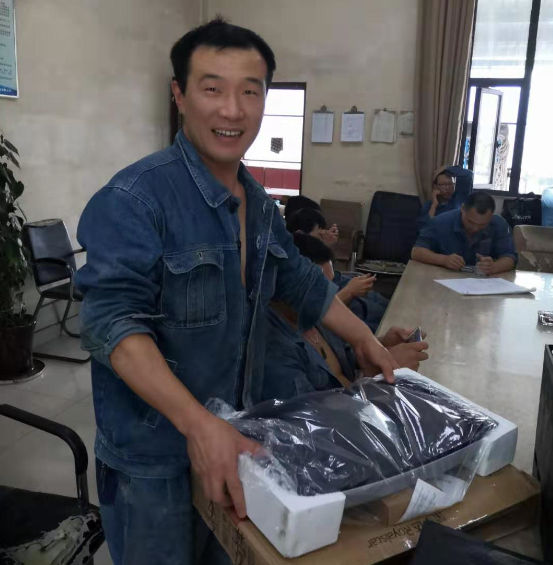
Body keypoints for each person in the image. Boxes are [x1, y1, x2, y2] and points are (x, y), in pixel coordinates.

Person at [74, 18, 398, 565]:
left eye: (250, 92)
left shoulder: (260, 203)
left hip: (238, 441)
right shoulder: (135, 198)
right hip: (154, 463)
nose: (232, 110)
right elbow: (113, 325)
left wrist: (366, 339)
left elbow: (299, 280)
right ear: (180, 95)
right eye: (212, 88)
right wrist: (198, 425)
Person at [262, 235, 429, 402]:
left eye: (328, 286)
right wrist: (383, 378)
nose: (329, 296)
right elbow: (312, 414)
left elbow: (347, 359)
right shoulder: (274, 351)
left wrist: (381, 346)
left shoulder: (320, 315)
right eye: (319, 289)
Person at [412, 192, 517, 274]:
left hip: (482, 283)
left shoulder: (499, 224)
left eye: (482, 224)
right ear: (462, 208)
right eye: (470, 222)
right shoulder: (441, 222)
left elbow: (509, 257)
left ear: (491, 216)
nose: (475, 228)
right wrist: (444, 260)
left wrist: (494, 267)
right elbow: (416, 252)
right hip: (444, 278)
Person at [417, 166, 471, 230]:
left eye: (450, 184)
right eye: (443, 184)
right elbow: (425, 228)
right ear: (435, 186)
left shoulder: (458, 199)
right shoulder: (429, 206)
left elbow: (468, 174)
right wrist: (434, 206)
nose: (447, 188)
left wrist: (446, 168)